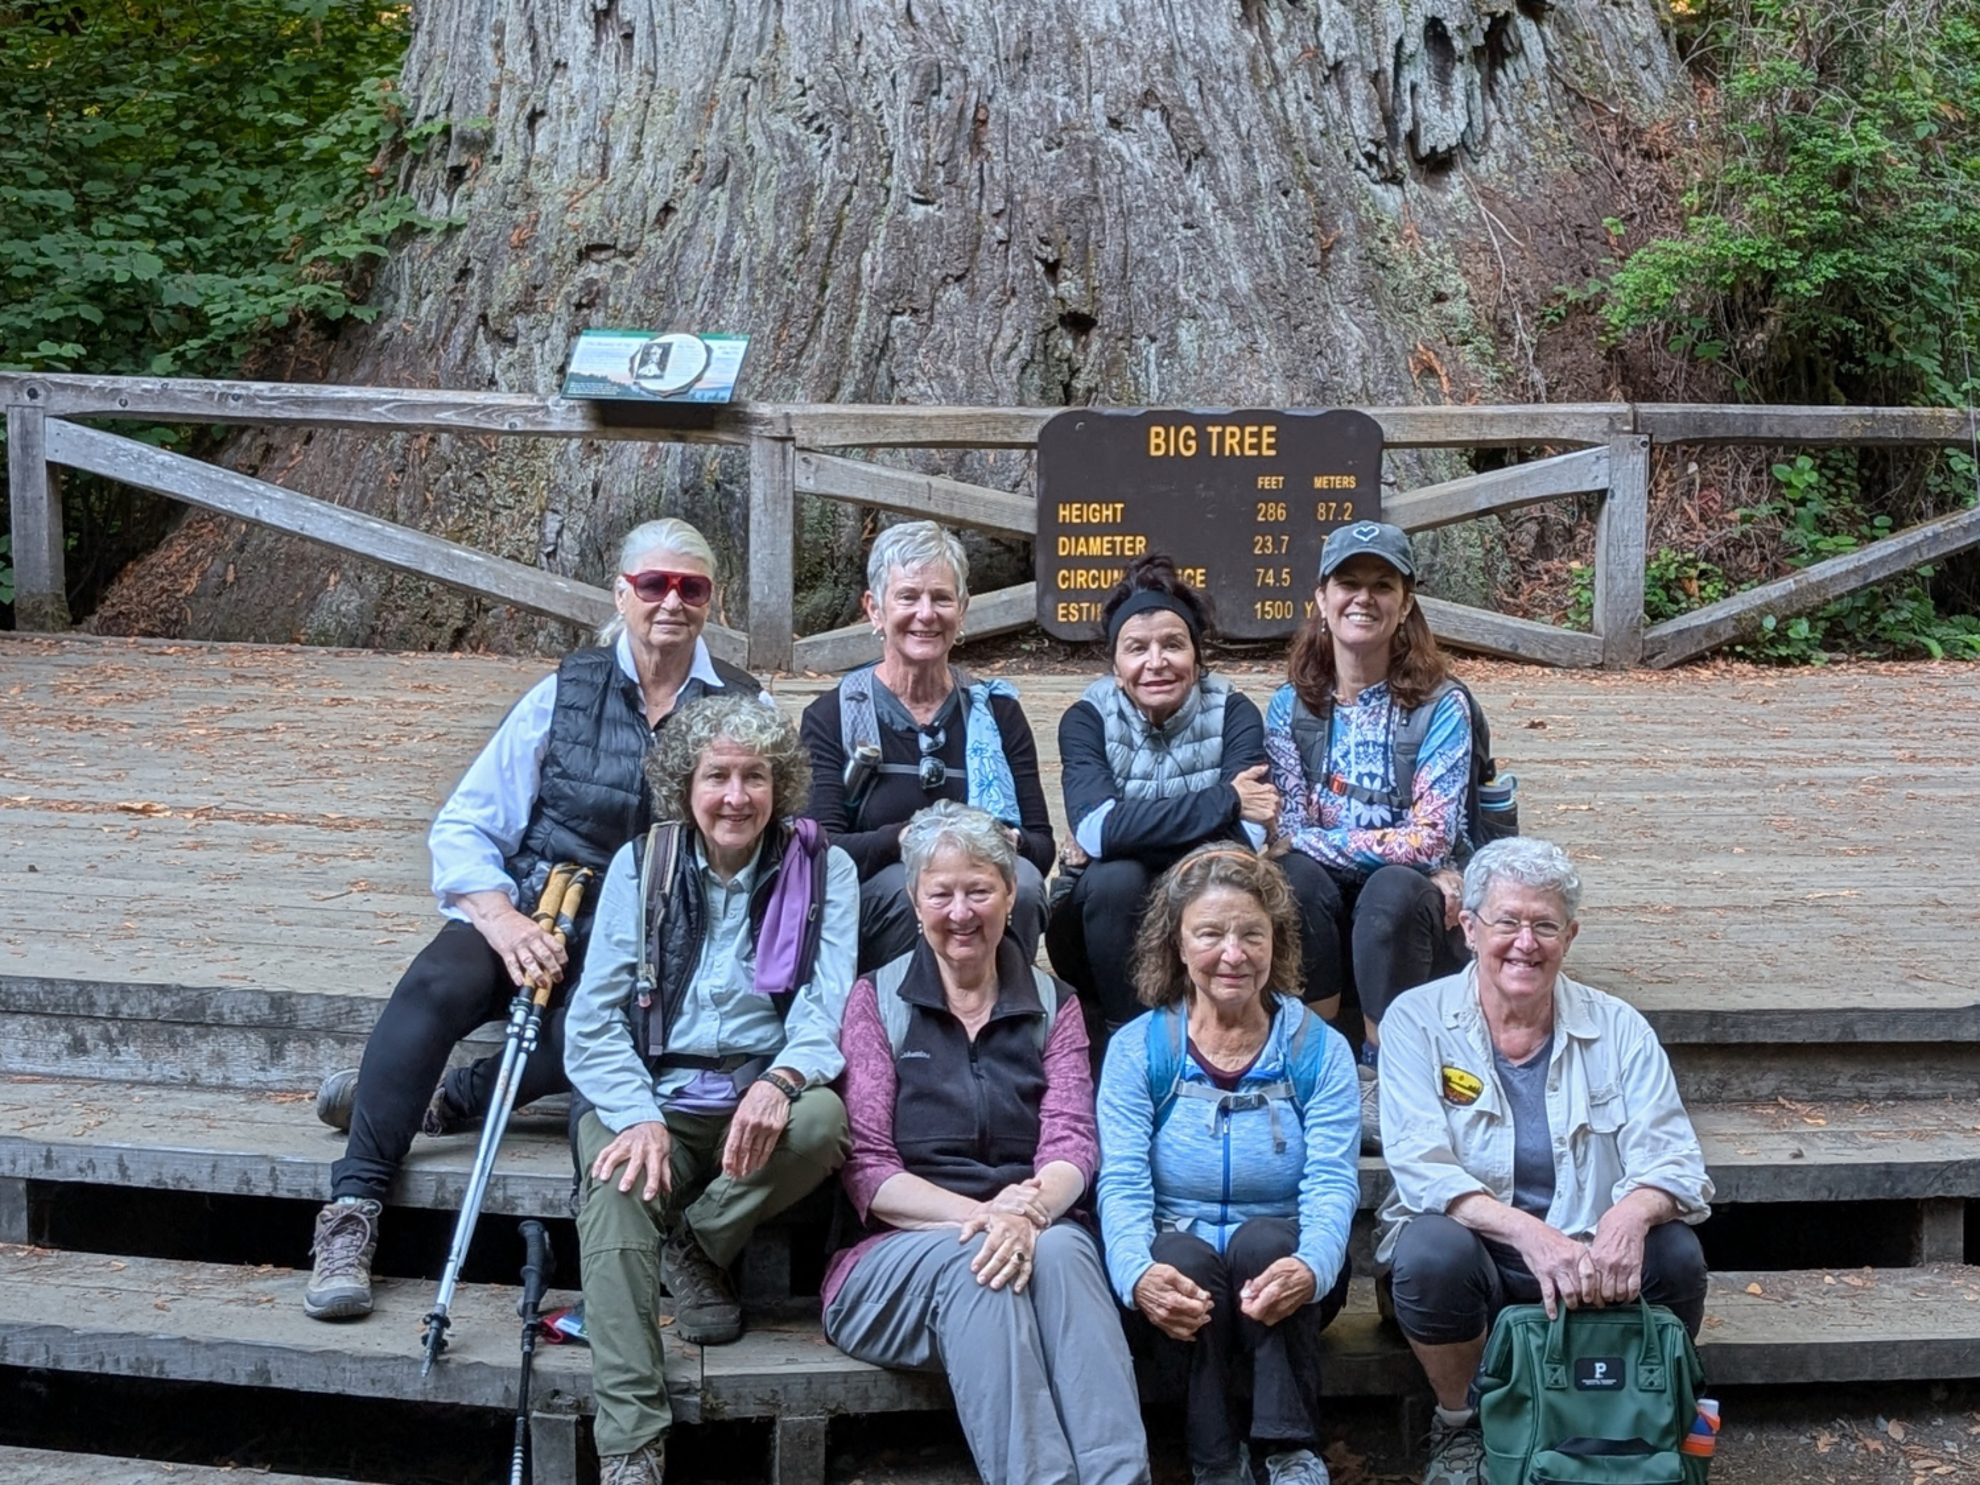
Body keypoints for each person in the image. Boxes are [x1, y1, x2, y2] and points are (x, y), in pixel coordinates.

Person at [304, 518, 762, 1322]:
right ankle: (354, 1203)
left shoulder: (742, 704)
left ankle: (448, 1098)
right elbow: (464, 824)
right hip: (537, 904)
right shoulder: (566, 689)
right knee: (439, 980)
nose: (671, 601)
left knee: (602, 1033)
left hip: (655, 937)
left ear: (710, 601)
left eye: (691, 587)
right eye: (653, 583)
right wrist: (504, 921)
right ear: (621, 593)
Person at [564, 695, 859, 1485]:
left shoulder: (825, 867)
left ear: (781, 782)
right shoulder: (644, 863)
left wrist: (780, 1079)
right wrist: (636, 1115)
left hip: (757, 1088)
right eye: (718, 776)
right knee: (620, 1190)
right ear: (685, 785)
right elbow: (592, 1022)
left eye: (755, 776)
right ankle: (631, 1445)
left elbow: (827, 1007)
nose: (737, 796)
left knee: (823, 1119)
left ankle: (697, 1242)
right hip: (651, 1085)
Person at [823, 802, 1149, 1485]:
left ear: (1011, 895)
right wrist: (989, 1219)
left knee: (1064, 1246)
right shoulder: (875, 1001)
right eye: (941, 892)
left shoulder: (1053, 1004)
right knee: (986, 1267)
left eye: (979, 889)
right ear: (915, 902)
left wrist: (1027, 1212)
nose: (961, 911)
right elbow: (870, 1172)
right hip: (891, 1261)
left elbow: (1072, 1142)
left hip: (1032, 1231)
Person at [1376, 838, 1712, 1485]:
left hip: (1587, 1266)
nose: (1525, 942)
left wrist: (1632, 1212)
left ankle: (1624, 1420)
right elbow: (1423, 1170)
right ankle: (1464, 1428)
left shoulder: (1619, 1027)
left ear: (1570, 934)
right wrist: (1529, 1233)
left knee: (1675, 1253)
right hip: (1480, 1261)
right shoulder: (1416, 1021)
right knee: (1428, 1251)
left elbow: (1676, 1159)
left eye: (1545, 924)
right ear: (1469, 928)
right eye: (1507, 921)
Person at [1097, 845, 1359, 1485]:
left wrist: (1312, 1263)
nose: (1233, 954)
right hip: (1180, 1267)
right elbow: (1123, 1181)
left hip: (1286, 1269)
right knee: (1181, 1262)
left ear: (1277, 942)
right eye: (1210, 935)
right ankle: (1214, 1460)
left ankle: (1290, 1451)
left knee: (1266, 1243)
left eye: (1251, 934)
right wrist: (1136, 1273)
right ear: (1178, 946)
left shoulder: (1317, 1050)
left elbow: (1332, 1179)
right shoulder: (1141, 1049)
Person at [1049, 555, 1320, 1040]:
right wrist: (1225, 800)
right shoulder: (1085, 718)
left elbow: (1245, 837)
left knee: (1223, 874)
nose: (1156, 662)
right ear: (1116, 665)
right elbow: (1097, 829)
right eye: (1137, 649)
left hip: (1210, 908)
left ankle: (1232, 1035)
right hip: (1096, 924)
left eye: (1173, 645)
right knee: (1117, 879)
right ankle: (1125, 1041)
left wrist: (1127, 831)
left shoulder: (1234, 711)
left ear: (1196, 659)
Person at [1263, 520, 1473, 1143]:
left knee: (1389, 888)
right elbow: (1285, 824)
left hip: (1406, 908)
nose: (1364, 598)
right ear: (1321, 599)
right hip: (1321, 902)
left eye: (1383, 584)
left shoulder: (1442, 706)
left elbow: (1431, 838)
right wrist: (1323, 843)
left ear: (1405, 602)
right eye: (1348, 583)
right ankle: (1325, 1063)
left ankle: (1383, 1070)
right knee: (1292, 878)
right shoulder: (1291, 706)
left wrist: (1314, 842)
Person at [800, 521, 1057, 971]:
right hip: (881, 902)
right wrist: (907, 842)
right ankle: (896, 1021)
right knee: (914, 893)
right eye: (907, 597)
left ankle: (1005, 1019)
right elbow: (821, 847)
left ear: (962, 609)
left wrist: (1002, 842)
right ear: (874, 609)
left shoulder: (996, 711)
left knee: (1027, 885)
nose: (926, 613)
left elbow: (1040, 846)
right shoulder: (832, 715)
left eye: (941, 598)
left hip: (978, 889)